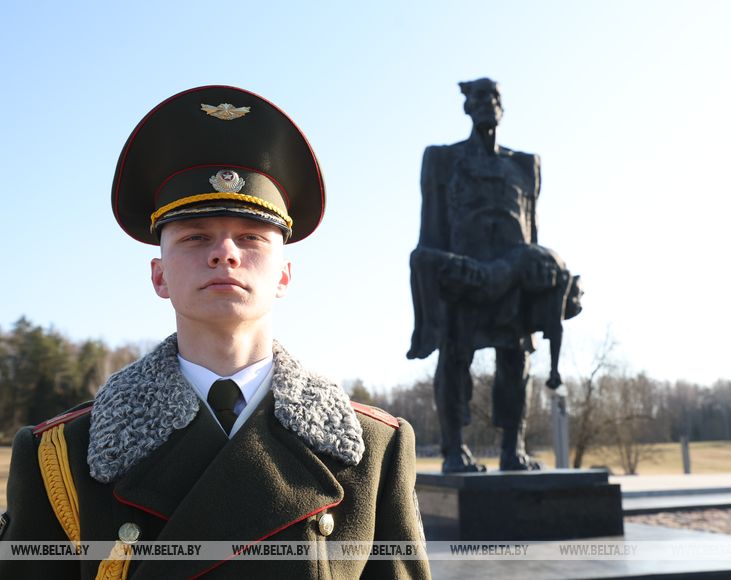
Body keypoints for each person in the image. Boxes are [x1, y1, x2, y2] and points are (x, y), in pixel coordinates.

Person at [0, 85, 430, 579]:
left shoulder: (374, 449)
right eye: (195, 236)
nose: (224, 252)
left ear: (284, 275)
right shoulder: (64, 453)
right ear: (159, 275)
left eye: (250, 238)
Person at [408, 78, 582, 473]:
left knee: (515, 361)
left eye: (494, 97)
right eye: (479, 97)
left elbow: (531, 231)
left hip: (515, 277)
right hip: (464, 276)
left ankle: (512, 449)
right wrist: (435, 268)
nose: (488, 103)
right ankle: (454, 450)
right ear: (467, 107)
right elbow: (430, 227)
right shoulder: (442, 159)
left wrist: (551, 280)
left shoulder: (524, 165)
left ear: (503, 107)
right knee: (454, 358)